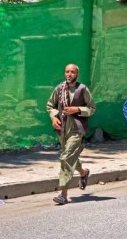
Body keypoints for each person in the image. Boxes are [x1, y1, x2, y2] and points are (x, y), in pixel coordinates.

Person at [47, 63, 96, 205]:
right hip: (62, 129)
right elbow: (50, 105)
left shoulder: (82, 89)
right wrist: (54, 117)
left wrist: (77, 109)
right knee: (70, 156)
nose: (69, 74)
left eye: (72, 72)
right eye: (67, 72)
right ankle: (83, 172)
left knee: (66, 157)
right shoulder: (59, 89)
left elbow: (92, 108)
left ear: (77, 74)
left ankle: (63, 193)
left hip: (76, 129)